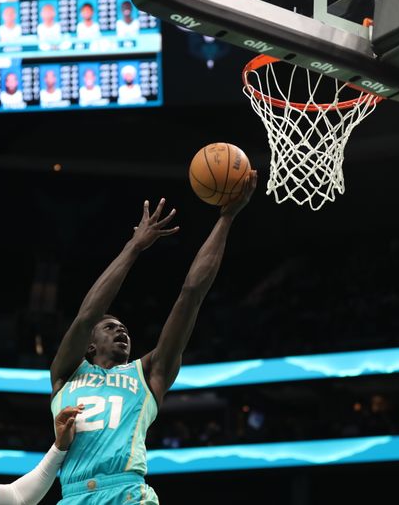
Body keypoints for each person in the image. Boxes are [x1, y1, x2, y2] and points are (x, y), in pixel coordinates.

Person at [49, 174, 258, 505]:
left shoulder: (149, 373)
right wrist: (134, 246)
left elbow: (191, 294)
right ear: (90, 345)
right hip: (72, 496)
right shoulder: (65, 373)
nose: (122, 331)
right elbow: (88, 314)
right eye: (111, 327)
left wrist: (226, 218)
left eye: (125, 329)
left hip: (128, 492)